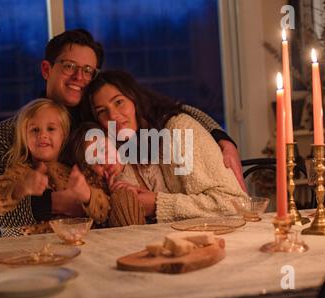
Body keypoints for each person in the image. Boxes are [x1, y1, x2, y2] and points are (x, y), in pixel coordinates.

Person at [0, 29, 244, 236]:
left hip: (94, 247)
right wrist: (52, 203)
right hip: (28, 253)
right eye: (69, 66)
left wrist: (220, 135)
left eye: (87, 70)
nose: (79, 76)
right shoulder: (10, 132)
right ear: (46, 69)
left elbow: (167, 108)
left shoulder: (99, 118)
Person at [81, 70, 248, 222]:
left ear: (135, 100)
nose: (113, 116)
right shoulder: (125, 149)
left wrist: (157, 203)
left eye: (118, 102)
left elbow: (233, 204)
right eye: (102, 111)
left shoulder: (179, 130)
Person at [0, 98, 110, 236]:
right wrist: (22, 188)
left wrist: (87, 195)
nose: (42, 135)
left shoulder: (76, 172)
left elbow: (104, 212)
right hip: (39, 251)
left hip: (82, 246)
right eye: (35, 130)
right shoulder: (19, 172)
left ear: (63, 135)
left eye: (51, 129)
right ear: (24, 137)